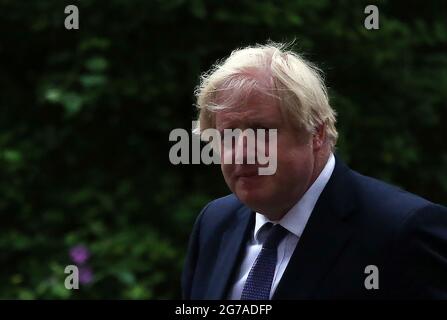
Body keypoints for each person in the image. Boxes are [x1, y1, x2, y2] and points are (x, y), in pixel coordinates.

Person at [181, 42, 447, 299]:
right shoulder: (214, 223)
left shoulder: (402, 231)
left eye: (261, 132)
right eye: (227, 136)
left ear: (315, 133)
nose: (241, 152)